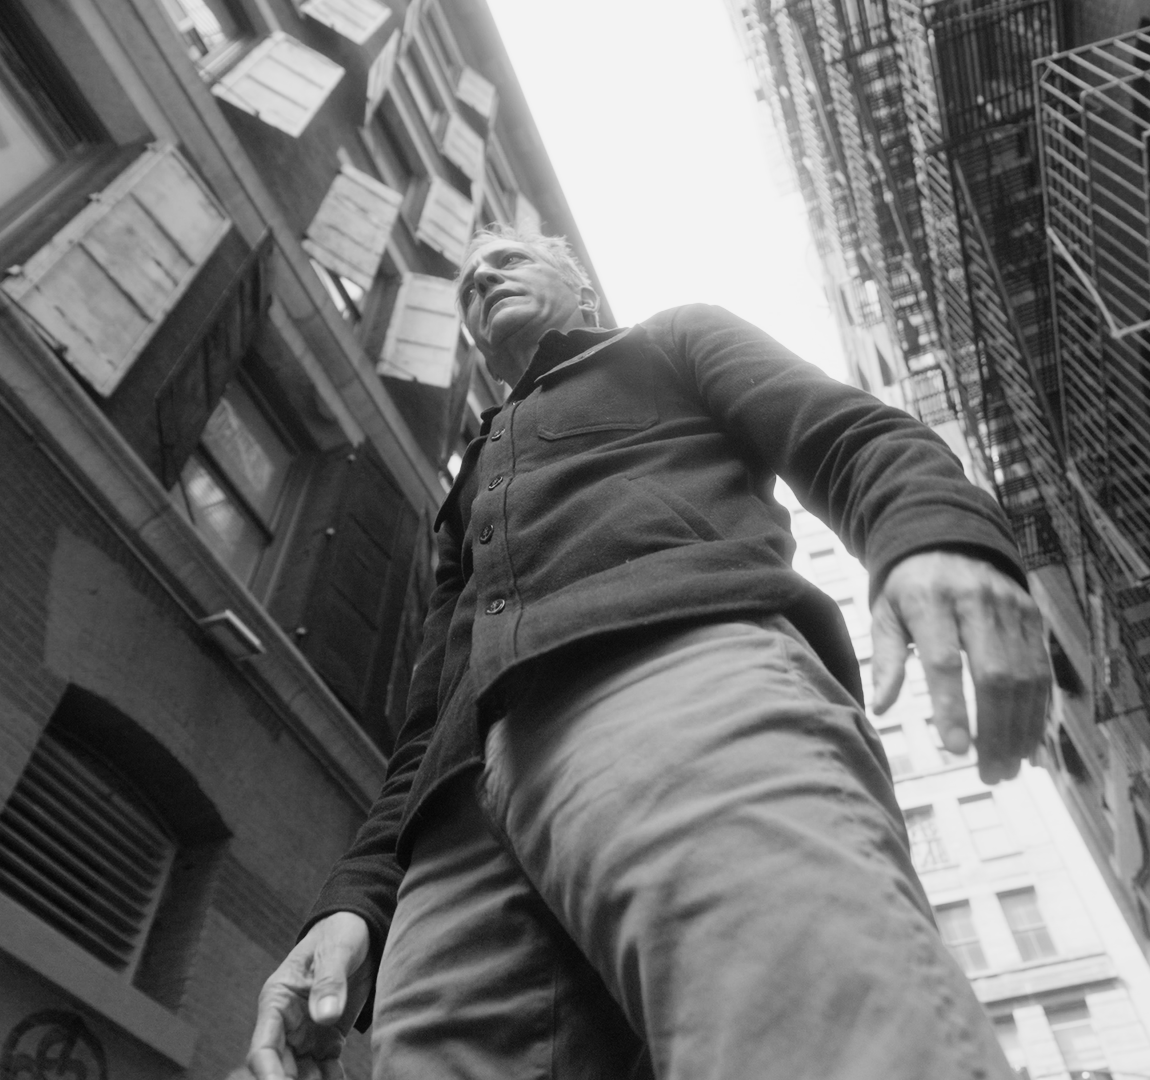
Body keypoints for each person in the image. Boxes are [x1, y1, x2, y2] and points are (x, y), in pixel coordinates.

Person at [246, 226, 1050, 1080]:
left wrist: (934, 534)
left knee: (815, 1031)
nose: (482, 280)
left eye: (507, 262)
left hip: (677, 683)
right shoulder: (467, 487)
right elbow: (422, 720)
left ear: (582, 288)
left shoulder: (670, 340)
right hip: (455, 829)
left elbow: (845, 432)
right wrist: (356, 904)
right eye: (469, 285)